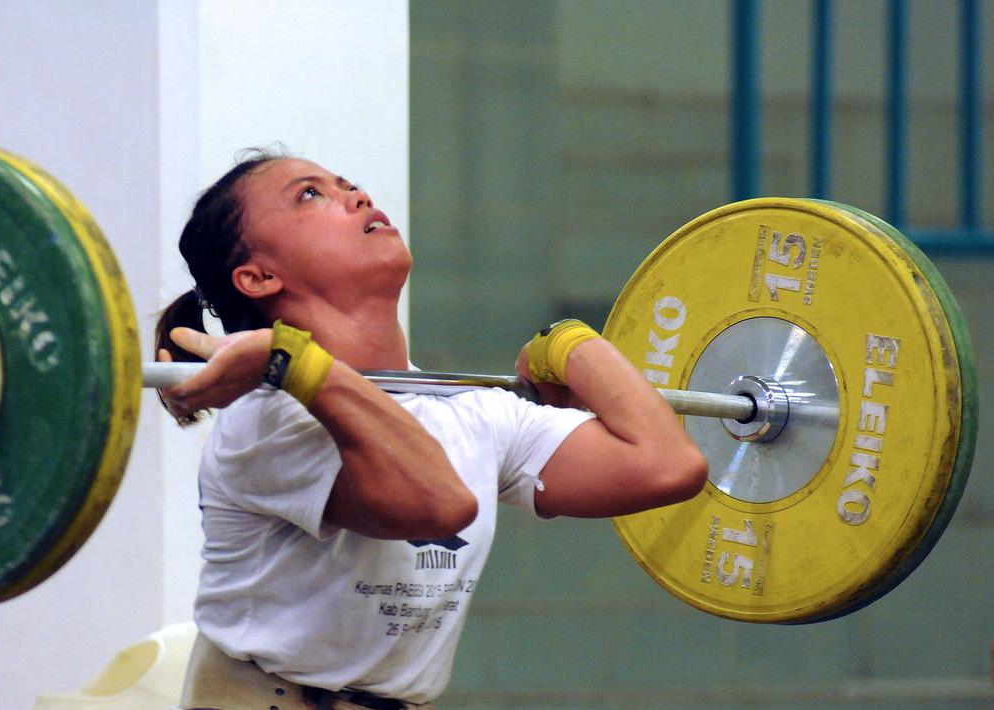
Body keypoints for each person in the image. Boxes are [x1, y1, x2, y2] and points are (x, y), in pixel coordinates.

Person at [155, 149, 707, 709]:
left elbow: (668, 466)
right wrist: (294, 367)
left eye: (349, 184)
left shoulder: (471, 412)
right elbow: (438, 504)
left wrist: (571, 344)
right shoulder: (269, 419)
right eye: (310, 194)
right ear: (258, 276)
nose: (358, 196)